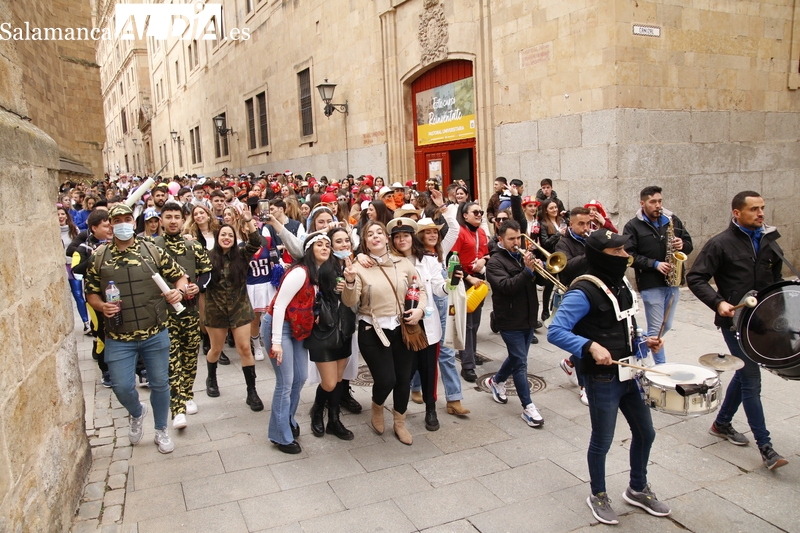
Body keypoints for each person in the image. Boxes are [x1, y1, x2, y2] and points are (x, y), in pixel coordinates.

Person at [548, 229, 669, 526]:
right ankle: (598, 494)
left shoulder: (622, 284)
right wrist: (588, 346)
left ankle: (637, 488)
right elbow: (555, 331)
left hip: (630, 372)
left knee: (646, 433)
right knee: (602, 440)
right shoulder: (582, 291)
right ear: (602, 257)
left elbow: (625, 325)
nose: (626, 256)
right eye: (618, 253)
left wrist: (644, 341)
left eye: (625, 251)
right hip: (603, 378)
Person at [687, 190, 788, 470]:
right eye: (754, 209)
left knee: (743, 374)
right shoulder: (720, 243)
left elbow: (777, 280)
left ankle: (721, 424)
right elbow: (695, 277)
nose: (761, 213)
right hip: (734, 324)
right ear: (737, 213)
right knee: (752, 379)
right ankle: (766, 448)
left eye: (762, 208)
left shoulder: (770, 241)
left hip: (763, 324)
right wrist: (718, 302)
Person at [84, 204, 188, 454]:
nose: (122, 223)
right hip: (119, 336)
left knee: (161, 383)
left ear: (134, 221)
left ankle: (161, 430)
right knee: (120, 385)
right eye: (116, 219)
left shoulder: (151, 250)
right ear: (109, 224)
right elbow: (90, 292)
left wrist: (179, 291)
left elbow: (180, 277)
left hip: (155, 331)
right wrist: (101, 307)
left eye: (126, 219)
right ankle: (137, 411)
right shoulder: (99, 256)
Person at [342, 221, 427, 445]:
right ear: (365, 241)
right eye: (370, 234)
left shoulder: (403, 263)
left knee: (403, 379)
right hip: (372, 329)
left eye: (380, 232)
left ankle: (399, 422)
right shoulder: (358, 267)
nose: (376, 236)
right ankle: (377, 405)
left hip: (403, 329)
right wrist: (350, 281)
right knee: (386, 379)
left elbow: (420, 290)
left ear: (386, 238)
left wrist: (419, 310)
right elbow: (350, 301)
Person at [263, 232, 329, 454]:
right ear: (309, 250)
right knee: (286, 381)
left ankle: (288, 419)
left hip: (298, 328)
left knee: (300, 377)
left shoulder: (318, 273)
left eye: (327, 245)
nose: (325, 247)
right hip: (279, 326)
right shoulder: (300, 272)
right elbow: (279, 305)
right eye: (319, 244)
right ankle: (279, 435)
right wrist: (276, 342)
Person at [154, 203, 212, 430]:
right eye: (167, 217)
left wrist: (198, 287)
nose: (172, 221)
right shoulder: (152, 246)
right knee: (172, 361)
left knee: (189, 357)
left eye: (177, 217)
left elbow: (207, 271)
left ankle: (187, 394)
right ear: (161, 221)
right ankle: (177, 409)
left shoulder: (193, 246)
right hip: (164, 315)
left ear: (183, 220)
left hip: (189, 311)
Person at [484, 220, 544, 428]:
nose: (516, 242)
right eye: (511, 239)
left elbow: (541, 282)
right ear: (500, 239)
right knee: (520, 363)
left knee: (518, 357)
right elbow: (506, 287)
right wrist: (527, 271)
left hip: (528, 316)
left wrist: (539, 268)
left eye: (519, 237)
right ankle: (528, 407)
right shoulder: (494, 262)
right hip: (509, 320)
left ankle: (496, 381)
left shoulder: (522, 256)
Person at [623, 186, 693, 364]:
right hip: (651, 283)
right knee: (656, 329)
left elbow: (689, 244)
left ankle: (637, 345)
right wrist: (655, 264)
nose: (657, 205)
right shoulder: (632, 226)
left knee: (666, 326)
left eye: (659, 201)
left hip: (672, 282)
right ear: (642, 203)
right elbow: (629, 256)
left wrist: (682, 244)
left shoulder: (672, 220)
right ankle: (661, 367)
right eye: (653, 202)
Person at [204, 220, 265, 412]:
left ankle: (252, 391)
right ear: (217, 238)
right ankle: (211, 378)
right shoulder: (207, 257)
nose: (226, 238)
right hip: (216, 311)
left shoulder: (241, 255)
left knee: (245, 348)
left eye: (230, 235)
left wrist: (248, 222)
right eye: (223, 234)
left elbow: (256, 241)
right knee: (215, 349)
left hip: (240, 309)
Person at [412, 216, 470, 417]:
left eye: (435, 231)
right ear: (419, 235)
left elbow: (453, 229)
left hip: (439, 307)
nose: (432, 235)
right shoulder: (411, 255)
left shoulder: (438, 254)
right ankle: (415, 387)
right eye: (427, 231)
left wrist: (450, 284)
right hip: (418, 310)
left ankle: (453, 399)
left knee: (445, 352)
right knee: (419, 354)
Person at [303, 230, 357, 440]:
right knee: (329, 382)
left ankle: (334, 420)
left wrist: (350, 283)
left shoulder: (352, 263)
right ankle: (317, 411)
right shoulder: (315, 267)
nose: (342, 245)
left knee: (339, 378)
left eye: (346, 241)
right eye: (337, 242)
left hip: (344, 328)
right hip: (322, 330)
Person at [554, 206, 592, 405]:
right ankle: (584, 386)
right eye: (581, 224)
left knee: (590, 338)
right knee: (582, 342)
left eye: (588, 223)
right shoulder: (563, 243)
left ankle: (569, 363)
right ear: (571, 224)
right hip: (575, 295)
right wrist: (590, 253)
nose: (586, 228)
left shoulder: (591, 239)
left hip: (594, 294)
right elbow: (566, 268)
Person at [72, 209, 114, 387]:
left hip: (116, 294)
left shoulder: (116, 242)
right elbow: (76, 270)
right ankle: (106, 371)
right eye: (106, 226)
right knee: (102, 334)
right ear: (94, 228)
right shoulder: (84, 247)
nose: (110, 229)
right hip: (96, 297)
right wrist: (95, 255)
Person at [450, 201, 489, 382]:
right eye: (475, 212)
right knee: (467, 324)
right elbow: (453, 260)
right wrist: (468, 277)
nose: (479, 214)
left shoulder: (481, 232)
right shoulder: (459, 232)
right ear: (465, 215)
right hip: (465, 282)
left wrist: (484, 260)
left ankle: (470, 355)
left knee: (475, 323)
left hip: (479, 281)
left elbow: (486, 253)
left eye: (481, 212)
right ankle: (467, 366)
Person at [58, 205, 90, 333]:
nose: (60, 217)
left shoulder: (74, 230)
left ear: (66, 215)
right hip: (61, 266)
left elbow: (80, 246)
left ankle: (86, 322)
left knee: (78, 294)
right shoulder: (52, 231)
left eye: (62, 214)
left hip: (72, 265)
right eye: (58, 214)